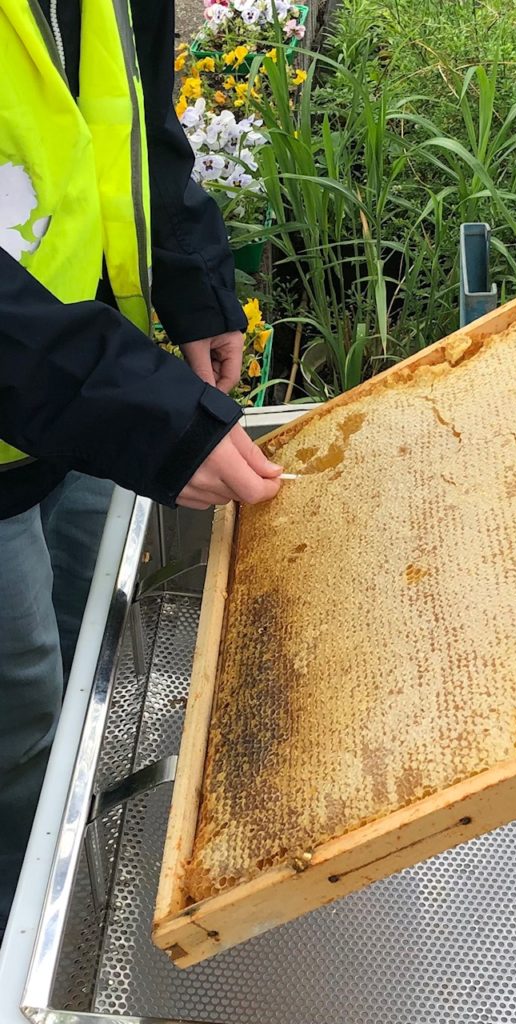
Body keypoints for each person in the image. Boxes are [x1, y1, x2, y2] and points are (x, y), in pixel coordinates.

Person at [0, 0, 282, 939]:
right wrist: (139, 412)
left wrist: (193, 279)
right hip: (67, 396)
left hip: (79, 403)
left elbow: (130, 114)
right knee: (17, 723)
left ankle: (72, 867)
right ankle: (20, 938)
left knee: (84, 661)